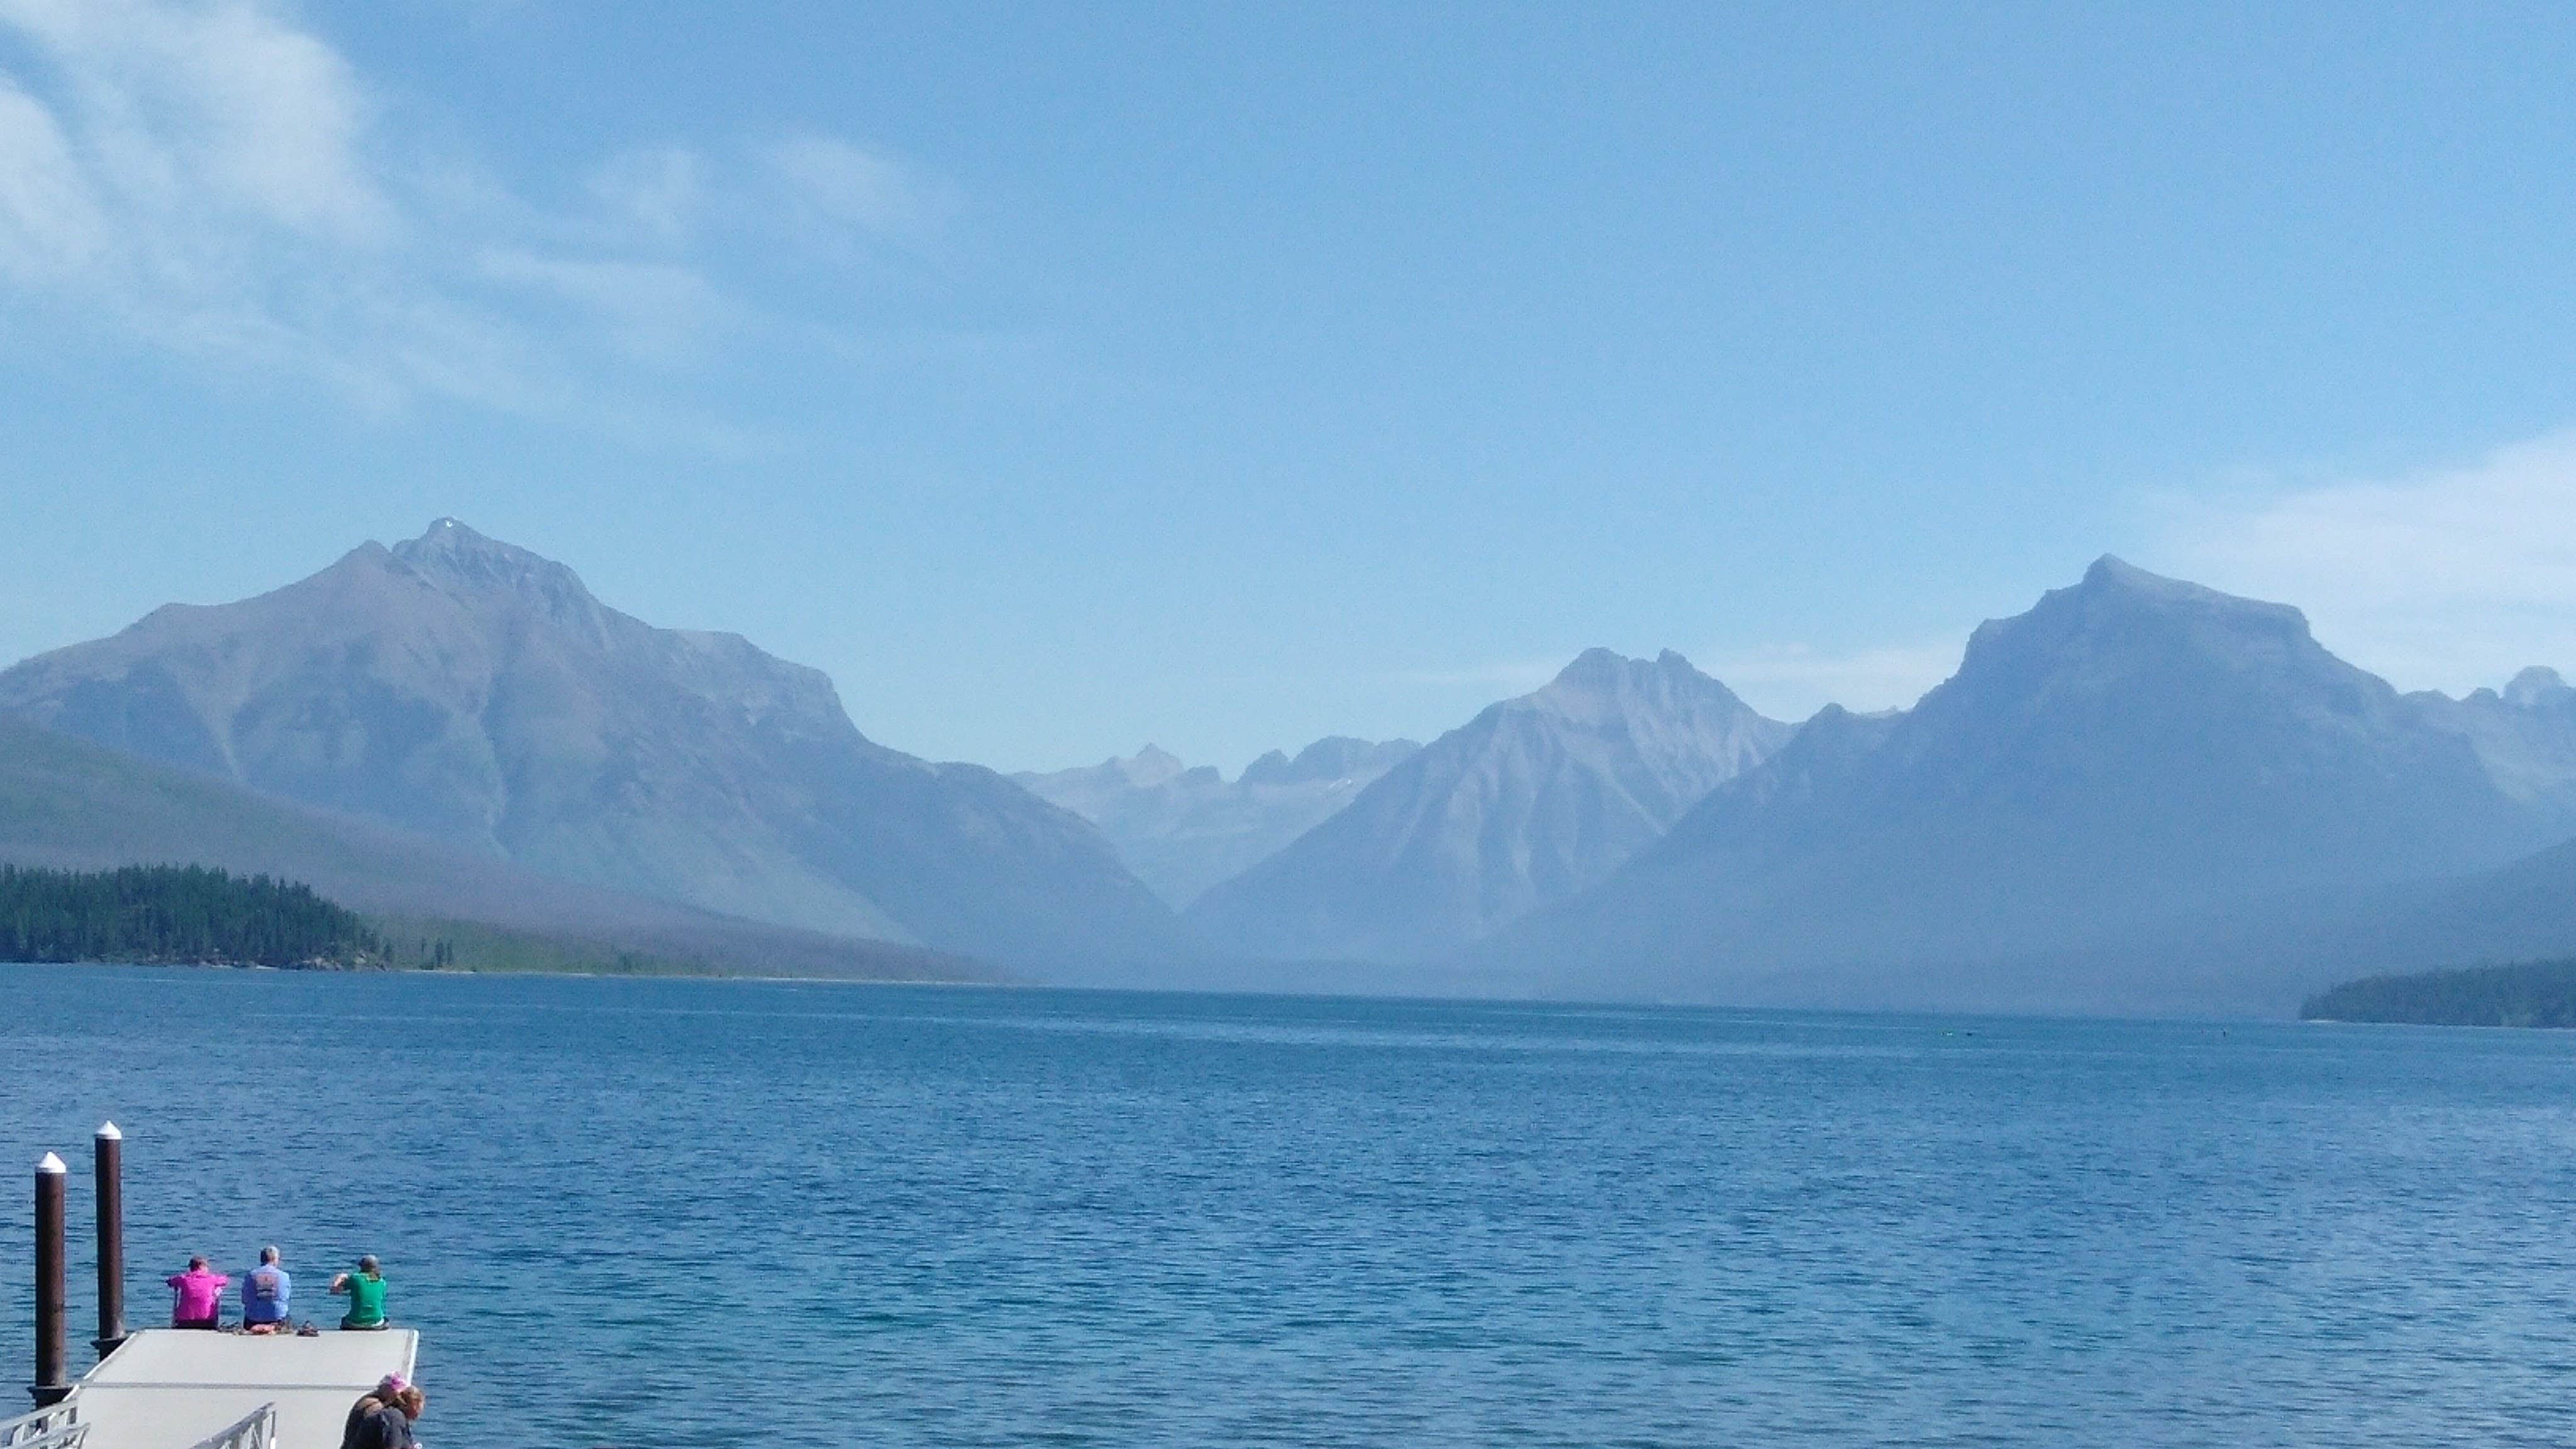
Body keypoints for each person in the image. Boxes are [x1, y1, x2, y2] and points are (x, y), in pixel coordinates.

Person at [340, 1375, 406, 1449]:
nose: (399, 1397)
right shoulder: (376, 1407)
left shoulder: (368, 1400)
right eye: (397, 1393)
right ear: (387, 1389)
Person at [165, 1255, 228, 1330]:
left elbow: (170, 1282)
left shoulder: (183, 1279)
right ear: (203, 1267)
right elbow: (225, 1281)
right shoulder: (212, 1279)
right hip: (207, 1320)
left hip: (185, 1320)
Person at [241, 1246, 292, 1334]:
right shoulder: (284, 1276)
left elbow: (245, 1299)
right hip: (277, 1319)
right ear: (275, 1259)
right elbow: (285, 1298)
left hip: (253, 1320)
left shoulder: (251, 1275)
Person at [329, 1255, 388, 1330]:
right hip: (376, 1323)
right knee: (385, 1320)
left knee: (344, 1320)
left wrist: (339, 1278)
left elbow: (334, 1290)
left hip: (355, 1323)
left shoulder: (355, 1278)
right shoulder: (382, 1282)